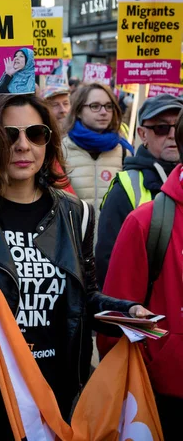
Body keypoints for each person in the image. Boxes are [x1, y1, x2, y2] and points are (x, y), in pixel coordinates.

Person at [0, 93, 148, 440]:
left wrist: (128, 314)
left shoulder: (76, 214)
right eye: (9, 135)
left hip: (51, 391)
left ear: (48, 142)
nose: (23, 146)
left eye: (35, 134)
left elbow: (85, 299)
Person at [97, 108, 183, 441]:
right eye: (160, 128)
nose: (168, 134)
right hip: (162, 395)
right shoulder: (145, 221)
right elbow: (113, 317)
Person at [96, 93, 183, 288]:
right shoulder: (126, 187)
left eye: (178, 127)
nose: (172, 134)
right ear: (142, 134)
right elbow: (108, 263)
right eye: (161, 128)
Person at [62, 82, 133, 238]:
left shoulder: (124, 152)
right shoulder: (61, 150)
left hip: (111, 248)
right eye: (95, 106)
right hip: (72, 246)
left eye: (108, 106)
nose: (103, 112)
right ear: (79, 111)